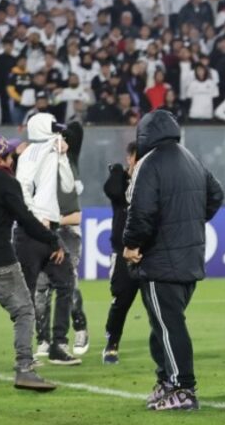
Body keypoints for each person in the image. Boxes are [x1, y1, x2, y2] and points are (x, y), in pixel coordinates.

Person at [123, 110, 224, 411]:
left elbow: (141, 212)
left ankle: (183, 388)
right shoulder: (190, 159)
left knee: (168, 326)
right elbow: (216, 195)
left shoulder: (149, 163)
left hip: (160, 260)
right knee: (163, 325)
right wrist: (190, 221)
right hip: (190, 257)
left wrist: (131, 245)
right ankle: (167, 380)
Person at [0, 135, 62, 391]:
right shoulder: (5, 180)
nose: (13, 158)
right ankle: (24, 368)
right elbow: (25, 218)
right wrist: (52, 239)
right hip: (1, 264)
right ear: (1, 159)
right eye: (9, 155)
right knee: (24, 311)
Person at [15, 113, 80, 366]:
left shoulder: (53, 151)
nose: (58, 132)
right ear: (42, 128)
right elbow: (22, 186)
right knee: (27, 293)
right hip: (31, 231)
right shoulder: (31, 153)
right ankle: (25, 353)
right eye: (53, 127)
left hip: (50, 232)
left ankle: (58, 345)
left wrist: (62, 156)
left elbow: (67, 185)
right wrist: (34, 216)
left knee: (65, 282)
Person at [34, 122, 88, 358]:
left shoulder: (69, 159)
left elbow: (76, 129)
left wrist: (58, 132)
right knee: (40, 289)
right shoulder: (38, 165)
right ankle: (43, 338)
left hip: (68, 233)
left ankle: (80, 328)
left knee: (68, 284)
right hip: (46, 234)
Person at [101, 142, 140, 365]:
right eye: (137, 156)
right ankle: (112, 342)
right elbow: (113, 191)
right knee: (122, 300)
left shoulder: (151, 181)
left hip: (148, 253)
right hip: (124, 252)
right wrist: (118, 170)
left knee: (157, 303)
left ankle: (164, 345)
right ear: (129, 158)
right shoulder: (122, 181)